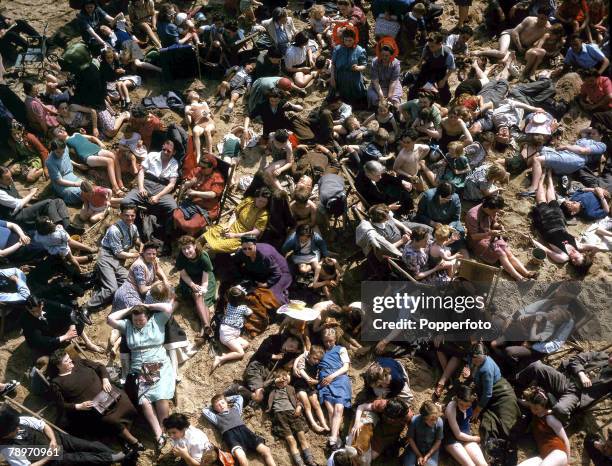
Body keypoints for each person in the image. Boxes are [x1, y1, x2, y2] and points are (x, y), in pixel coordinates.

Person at [107, 302, 176, 450]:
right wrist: (130, 309)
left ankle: (164, 430)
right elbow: (110, 319)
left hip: (157, 363)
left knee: (159, 396)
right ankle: (158, 434)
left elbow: (168, 307)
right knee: (144, 400)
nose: (138, 323)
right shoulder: (128, 325)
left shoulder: (156, 320)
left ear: (148, 317)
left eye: (141, 320)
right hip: (139, 369)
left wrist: (148, 305)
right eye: (135, 320)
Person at [48, 349, 141, 450]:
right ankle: (133, 441)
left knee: (127, 405)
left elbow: (100, 367)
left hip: (110, 394)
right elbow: (61, 404)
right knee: (111, 420)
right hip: (93, 408)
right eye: (66, 361)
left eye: (69, 358)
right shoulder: (56, 383)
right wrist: (79, 406)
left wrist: (105, 380)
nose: (70, 360)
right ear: (58, 366)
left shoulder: (79, 363)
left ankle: (122, 439)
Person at [0, 404, 136, 465]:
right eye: (14, 429)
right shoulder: (8, 449)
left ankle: (116, 456)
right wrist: (49, 457)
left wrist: (53, 439)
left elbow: (43, 426)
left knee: (89, 445)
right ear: (5, 434)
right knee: (81, 458)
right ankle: (116, 457)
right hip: (50, 459)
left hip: (57, 439)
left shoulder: (20, 421)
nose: (18, 428)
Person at [516, 351, 612, 423]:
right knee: (537, 366)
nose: (611, 359)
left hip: (577, 395)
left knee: (560, 409)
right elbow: (576, 359)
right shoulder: (601, 356)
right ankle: (515, 389)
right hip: (566, 380)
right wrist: (581, 374)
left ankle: (547, 412)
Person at [531, 170, 595, 275]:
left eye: (574, 263)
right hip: (559, 221)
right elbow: (595, 247)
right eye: (576, 259)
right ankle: (549, 177)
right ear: (583, 255)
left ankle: (542, 178)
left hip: (546, 224)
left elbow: (546, 250)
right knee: (552, 199)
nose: (573, 260)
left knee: (541, 201)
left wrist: (532, 241)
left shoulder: (563, 257)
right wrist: (592, 256)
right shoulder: (579, 246)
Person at [121, 140, 179, 250]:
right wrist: (141, 187)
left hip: (162, 188)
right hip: (146, 184)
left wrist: (158, 196)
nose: (165, 152)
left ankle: (165, 237)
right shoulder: (152, 155)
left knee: (173, 208)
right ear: (162, 146)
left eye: (169, 151)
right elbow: (141, 172)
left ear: (174, 152)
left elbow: (171, 185)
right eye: (164, 149)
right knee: (126, 202)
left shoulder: (174, 163)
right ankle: (134, 227)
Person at [86, 203, 142, 311]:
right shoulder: (114, 230)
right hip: (107, 259)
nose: (130, 218)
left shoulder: (133, 227)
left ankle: (103, 288)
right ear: (121, 215)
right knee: (112, 289)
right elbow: (118, 253)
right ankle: (87, 306)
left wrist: (142, 245)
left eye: (132, 215)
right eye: (126, 215)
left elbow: (136, 239)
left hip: (118, 263)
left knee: (131, 282)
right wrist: (136, 255)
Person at [466, 195, 536, 281]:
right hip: (477, 241)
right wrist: (489, 233)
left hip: (490, 235)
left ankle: (527, 273)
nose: (495, 214)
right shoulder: (473, 215)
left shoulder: (491, 210)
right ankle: (519, 278)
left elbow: (493, 223)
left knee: (508, 252)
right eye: (494, 212)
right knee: (501, 254)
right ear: (487, 207)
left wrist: (498, 226)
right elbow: (474, 236)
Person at [202, 394, 277, 466]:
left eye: (222, 403)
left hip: (246, 434)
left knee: (266, 450)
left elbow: (239, 397)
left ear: (226, 402)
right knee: (242, 460)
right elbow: (204, 410)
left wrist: (226, 399)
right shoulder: (216, 417)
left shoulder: (236, 409)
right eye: (218, 405)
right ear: (215, 408)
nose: (221, 405)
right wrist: (213, 405)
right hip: (232, 439)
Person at [52, 126, 126, 196]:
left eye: (61, 129)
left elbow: (91, 137)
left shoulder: (76, 134)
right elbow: (66, 158)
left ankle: (120, 183)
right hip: (87, 156)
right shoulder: (64, 144)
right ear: (57, 137)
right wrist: (78, 165)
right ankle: (115, 187)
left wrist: (100, 143)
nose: (61, 131)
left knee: (114, 156)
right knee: (109, 161)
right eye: (59, 132)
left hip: (96, 149)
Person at [470, 343, 520, 442]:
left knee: (507, 426)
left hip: (503, 394)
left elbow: (488, 393)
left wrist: (477, 410)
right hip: (489, 394)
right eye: (474, 357)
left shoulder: (486, 369)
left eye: (479, 357)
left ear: (485, 356)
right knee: (489, 421)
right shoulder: (473, 360)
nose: (476, 360)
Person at [266, 370, 318, 466]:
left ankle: (310, 460)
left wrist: (299, 407)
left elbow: (297, 401)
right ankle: (299, 463)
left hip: (293, 413)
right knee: (291, 440)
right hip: (279, 416)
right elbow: (264, 386)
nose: (283, 380)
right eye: (281, 379)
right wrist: (275, 380)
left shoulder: (290, 388)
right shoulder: (271, 390)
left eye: (285, 379)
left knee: (302, 437)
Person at [0, 166, 73, 232]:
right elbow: (17, 204)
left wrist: (32, 200)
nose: (12, 180)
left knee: (58, 201)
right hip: (16, 217)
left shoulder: (8, 183)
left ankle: (67, 228)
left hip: (23, 209)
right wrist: (31, 194)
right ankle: (59, 229)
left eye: (11, 177)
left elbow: (17, 198)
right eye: (8, 179)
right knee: (48, 202)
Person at [201, 187, 271, 253]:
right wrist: (229, 225)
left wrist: (235, 235)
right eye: (260, 201)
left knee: (210, 247)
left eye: (264, 202)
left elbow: (255, 233)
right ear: (256, 198)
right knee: (203, 237)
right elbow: (235, 213)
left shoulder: (263, 214)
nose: (262, 204)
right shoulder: (248, 201)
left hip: (242, 237)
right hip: (233, 225)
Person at [173, 154, 225, 236]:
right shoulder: (197, 170)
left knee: (190, 225)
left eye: (204, 168)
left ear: (211, 167)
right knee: (176, 216)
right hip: (192, 203)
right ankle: (178, 233)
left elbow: (213, 194)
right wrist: (190, 183)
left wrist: (196, 193)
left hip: (205, 208)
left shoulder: (217, 177)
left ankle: (188, 237)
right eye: (201, 166)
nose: (201, 169)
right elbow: (184, 185)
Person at [175, 235, 216, 337]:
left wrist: (203, 288)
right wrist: (192, 285)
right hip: (189, 279)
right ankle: (206, 326)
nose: (186, 251)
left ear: (194, 246)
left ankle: (205, 328)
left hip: (204, 278)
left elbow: (206, 278)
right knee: (197, 295)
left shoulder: (203, 256)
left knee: (203, 298)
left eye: (188, 247)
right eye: (184, 249)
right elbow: (183, 274)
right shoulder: (181, 257)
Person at [517, 387, 570, 466]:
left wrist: (567, 462)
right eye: (532, 407)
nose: (533, 410)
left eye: (536, 409)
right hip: (543, 456)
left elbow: (565, 439)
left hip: (559, 453)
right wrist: (516, 398)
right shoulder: (535, 410)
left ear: (543, 406)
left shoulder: (550, 418)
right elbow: (525, 403)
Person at [232, 237, 293, 306]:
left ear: (255, 245)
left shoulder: (265, 255)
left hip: (281, 274)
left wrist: (267, 284)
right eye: (244, 249)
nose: (247, 251)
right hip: (262, 273)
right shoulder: (241, 253)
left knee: (271, 294)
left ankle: (285, 306)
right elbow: (236, 263)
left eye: (250, 248)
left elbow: (277, 273)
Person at [318, 327, 351, 451]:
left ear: (335, 339)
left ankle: (332, 439)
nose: (328, 343)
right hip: (325, 382)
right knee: (331, 410)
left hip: (339, 379)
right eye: (326, 341)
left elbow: (346, 367)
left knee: (339, 407)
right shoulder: (320, 351)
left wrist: (332, 376)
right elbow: (306, 354)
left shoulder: (341, 349)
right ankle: (336, 439)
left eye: (331, 341)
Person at [473, 10, 551, 61]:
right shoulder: (530, 20)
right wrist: (519, 47)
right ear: (537, 16)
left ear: (548, 18)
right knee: (501, 54)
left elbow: (539, 43)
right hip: (509, 36)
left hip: (518, 48)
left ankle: (487, 50)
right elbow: (515, 32)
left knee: (503, 60)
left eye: (544, 19)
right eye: (540, 18)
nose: (541, 20)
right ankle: (480, 52)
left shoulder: (547, 29)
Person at [112, 241, 168, 311]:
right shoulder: (139, 265)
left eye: (154, 254)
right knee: (143, 313)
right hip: (128, 294)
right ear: (143, 253)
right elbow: (143, 289)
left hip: (139, 293)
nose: (151, 256)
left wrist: (165, 280)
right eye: (149, 254)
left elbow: (157, 268)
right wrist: (155, 284)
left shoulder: (153, 259)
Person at [444, 385, 487, 466]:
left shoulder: (473, 401)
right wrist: (476, 438)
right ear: (457, 399)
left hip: (466, 435)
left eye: (468, 406)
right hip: (452, 439)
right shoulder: (451, 407)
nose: (464, 407)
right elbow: (458, 435)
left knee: (483, 464)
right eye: (461, 404)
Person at [409, 33, 456, 105]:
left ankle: (443, 104)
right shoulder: (428, 45)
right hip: (428, 67)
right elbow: (423, 55)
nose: (430, 48)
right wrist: (419, 64)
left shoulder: (448, 54)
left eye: (432, 46)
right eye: (429, 46)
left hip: (440, 70)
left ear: (440, 44)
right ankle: (411, 103)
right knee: (415, 86)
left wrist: (444, 80)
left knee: (445, 93)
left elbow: (452, 68)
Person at [293, 345, 329, 433]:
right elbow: (300, 369)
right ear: (309, 355)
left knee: (316, 403)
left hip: (310, 386)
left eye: (319, 360)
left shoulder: (318, 366)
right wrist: (308, 379)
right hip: (300, 385)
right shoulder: (303, 359)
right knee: (306, 403)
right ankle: (313, 424)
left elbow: (319, 379)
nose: (316, 361)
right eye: (315, 358)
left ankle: (323, 423)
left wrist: (315, 382)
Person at [330, 27, 367, 108]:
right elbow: (333, 65)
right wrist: (332, 78)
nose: (347, 43)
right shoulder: (337, 49)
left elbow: (364, 65)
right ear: (343, 39)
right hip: (340, 78)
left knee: (357, 101)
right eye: (345, 40)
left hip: (354, 79)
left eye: (350, 40)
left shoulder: (360, 50)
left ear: (354, 39)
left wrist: (358, 68)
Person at [403, 401, 443, 466]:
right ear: (424, 418)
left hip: (431, 449)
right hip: (415, 448)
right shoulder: (414, 421)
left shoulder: (439, 422)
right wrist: (419, 455)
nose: (435, 422)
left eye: (436, 418)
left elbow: (438, 441)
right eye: (432, 419)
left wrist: (428, 455)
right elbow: (410, 438)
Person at [45, 138, 83, 207]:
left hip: (71, 175)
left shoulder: (65, 149)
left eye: (62, 152)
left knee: (85, 187)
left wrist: (78, 165)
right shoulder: (50, 162)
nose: (61, 154)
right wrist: (75, 184)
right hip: (61, 182)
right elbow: (59, 181)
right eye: (58, 152)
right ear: (53, 150)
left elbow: (67, 159)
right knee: (75, 193)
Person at [368, 43, 402, 108]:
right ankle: (378, 111)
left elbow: (393, 81)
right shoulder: (375, 62)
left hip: (392, 85)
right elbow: (375, 81)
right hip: (378, 85)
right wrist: (381, 97)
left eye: (386, 56)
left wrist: (389, 96)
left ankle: (395, 112)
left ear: (391, 55)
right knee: (374, 98)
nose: (384, 57)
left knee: (394, 100)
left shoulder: (396, 64)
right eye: (382, 55)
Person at [185, 91, 216, 160]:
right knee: (195, 131)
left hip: (209, 122)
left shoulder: (203, 103)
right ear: (188, 97)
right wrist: (187, 113)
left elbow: (209, 115)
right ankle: (198, 155)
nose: (195, 93)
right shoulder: (188, 106)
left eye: (196, 92)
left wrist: (206, 113)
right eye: (193, 92)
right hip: (199, 124)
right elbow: (189, 122)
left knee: (207, 130)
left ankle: (210, 153)